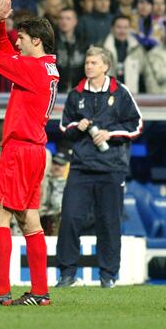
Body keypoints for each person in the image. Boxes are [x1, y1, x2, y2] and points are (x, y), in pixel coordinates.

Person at [0, 0, 59, 306]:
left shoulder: (32, 70)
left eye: (21, 38)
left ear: (36, 41)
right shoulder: (47, 68)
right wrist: (5, 25)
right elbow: (10, 56)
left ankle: (1, 291)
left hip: (19, 150)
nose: (17, 42)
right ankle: (39, 292)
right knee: (29, 221)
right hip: (35, 151)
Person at [57, 46, 142, 288]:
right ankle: (67, 274)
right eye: (87, 62)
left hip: (112, 168)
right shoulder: (76, 94)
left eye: (94, 62)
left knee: (109, 223)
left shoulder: (121, 92)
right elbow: (64, 128)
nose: (89, 66)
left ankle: (108, 275)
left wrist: (110, 134)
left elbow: (136, 126)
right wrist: (78, 126)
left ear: (106, 66)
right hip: (81, 168)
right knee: (71, 219)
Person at [40, 152, 70, 235]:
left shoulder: (69, 185)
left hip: (58, 220)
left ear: (65, 167)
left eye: (61, 165)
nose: (57, 167)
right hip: (40, 219)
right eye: (55, 163)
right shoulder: (41, 181)